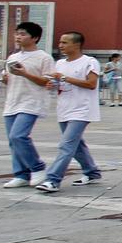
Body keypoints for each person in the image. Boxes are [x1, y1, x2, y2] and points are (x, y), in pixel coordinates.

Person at [37, 31, 102, 192]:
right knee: (76, 145)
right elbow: (58, 84)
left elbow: (91, 84)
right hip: (65, 108)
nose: (60, 45)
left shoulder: (90, 62)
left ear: (77, 44)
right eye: (60, 42)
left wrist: (64, 78)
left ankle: (53, 179)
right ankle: (91, 172)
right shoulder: (59, 64)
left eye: (65, 42)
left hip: (83, 109)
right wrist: (53, 84)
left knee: (66, 145)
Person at [0, 21, 56, 188]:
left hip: (32, 101)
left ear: (35, 37)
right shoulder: (13, 57)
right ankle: (21, 174)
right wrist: (3, 77)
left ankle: (38, 168)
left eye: (23, 34)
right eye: (17, 33)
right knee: (13, 140)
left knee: (19, 136)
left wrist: (25, 74)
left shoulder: (44, 57)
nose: (18, 37)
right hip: (12, 101)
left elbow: (46, 81)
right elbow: (7, 79)